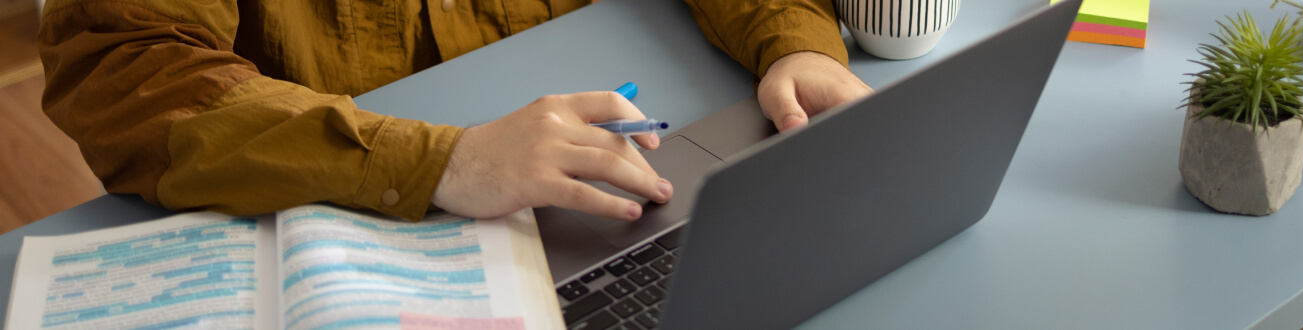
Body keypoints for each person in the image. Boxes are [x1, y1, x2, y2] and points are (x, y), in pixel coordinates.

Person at [37, 0, 873, 222]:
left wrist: (792, 43)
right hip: (349, 217)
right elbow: (124, 64)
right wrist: (442, 161)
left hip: (612, 195)